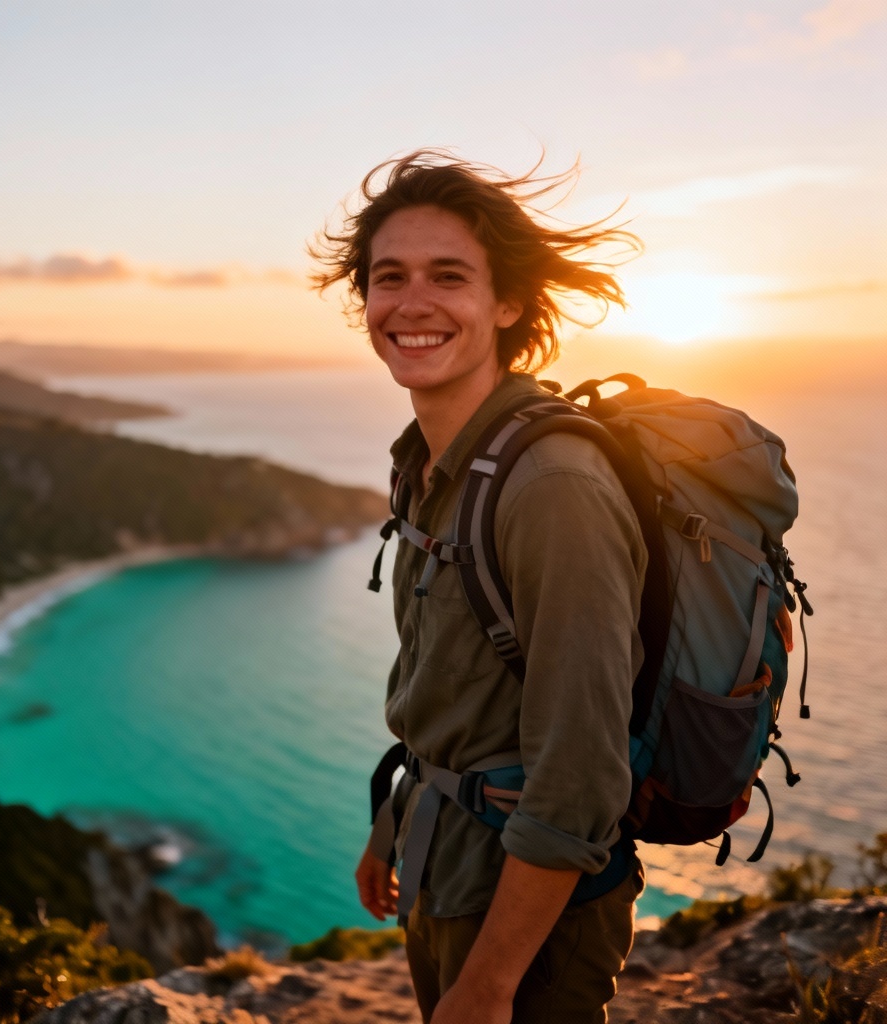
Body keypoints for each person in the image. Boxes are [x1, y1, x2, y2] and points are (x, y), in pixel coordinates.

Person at [311, 150, 648, 1024]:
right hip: (444, 865)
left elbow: (580, 773)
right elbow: (449, 686)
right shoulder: (429, 465)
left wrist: (490, 985)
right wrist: (396, 823)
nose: (411, 304)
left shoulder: (551, 487)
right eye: (390, 278)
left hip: (529, 913)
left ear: (506, 303)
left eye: (448, 276)